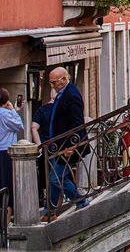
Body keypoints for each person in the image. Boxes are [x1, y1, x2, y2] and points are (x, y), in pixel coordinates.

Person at [42, 67, 89, 221]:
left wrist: (72, 145)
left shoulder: (72, 94)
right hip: (59, 145)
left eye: (54, 82)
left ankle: (81, 202)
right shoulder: (63, 93)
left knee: (56, 178)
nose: (53, 86)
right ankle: (50, 212)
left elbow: (77, 122)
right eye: (50, 83)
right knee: (54, 177)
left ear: (64, 79)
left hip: (65, 146)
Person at [0, 87, 24, 223]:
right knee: (7, 186)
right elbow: (20, 126)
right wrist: (14, 110)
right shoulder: (5, 114)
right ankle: (5, 224)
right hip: (5, 153)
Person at [31, 90, 56, 205]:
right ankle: (56, 204)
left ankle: (47, 201)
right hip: (60, 145)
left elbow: (34, 127)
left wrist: (39, 145)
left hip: (45, 145)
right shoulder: (63, 109)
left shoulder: (43, 109)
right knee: (58, 175)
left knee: (45, 174)